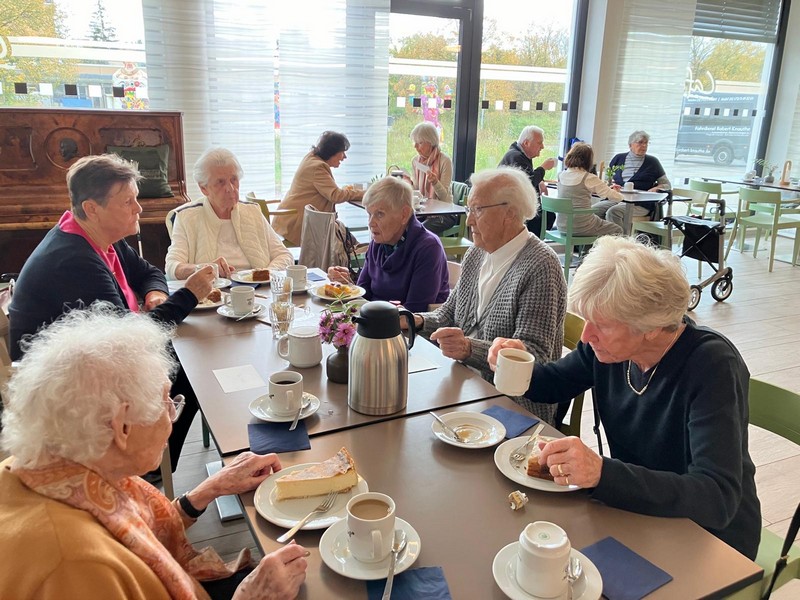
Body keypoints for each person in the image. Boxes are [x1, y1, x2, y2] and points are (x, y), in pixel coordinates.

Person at [0, 306, 307, 599]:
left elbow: (137, 530)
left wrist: (212, 488)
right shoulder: (77, 563)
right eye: (166, 403)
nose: (173, 415)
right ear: (122, 427)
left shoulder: (55, 466)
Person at [487, 236, 761, 560]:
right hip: (634, 509)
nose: (586, 335)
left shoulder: (712, 366)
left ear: (651, 326)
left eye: (600, 324)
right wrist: (515, 364)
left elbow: (717, 497)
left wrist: (602, 472)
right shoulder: (609, 350)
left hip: (709, 538)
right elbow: (555, 384)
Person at [8, 154, 213, 473]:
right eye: (128, 202)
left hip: (86, 364)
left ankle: (154, 461)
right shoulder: (73, 261)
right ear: (92, 208)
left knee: (191, 358)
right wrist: (190, 294)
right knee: (194, 369)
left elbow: (148, 271)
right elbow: (131, 343)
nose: (139, 209)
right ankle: (147, 467)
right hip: (61, 393)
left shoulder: (100, 237)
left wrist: (156, 293)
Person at [409, 167, 567, 425]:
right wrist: (412, 320)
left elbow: (535, 357)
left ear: (510, 213)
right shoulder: (477, 254)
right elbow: (447, 314)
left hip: (514, 406)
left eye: (478, 210)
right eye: (468, 208)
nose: (469, 220)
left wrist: (469, 348)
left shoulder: (541, 266)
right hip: (465, 386)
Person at [165, 148, 293, 280]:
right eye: (221, 182)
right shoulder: (187, 217)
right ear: (203, 188)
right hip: (212, 293)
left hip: (257, 291)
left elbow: (284, 255)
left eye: (234, 180)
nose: (230, 188)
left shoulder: (252, 211)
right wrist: (203, 269)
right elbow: (171, 268)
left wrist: (267, 274)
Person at [327, 177, 449, 312]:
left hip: (410, 327)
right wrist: (346, 283)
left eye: (380, 214)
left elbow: (416, 311)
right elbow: (364, 293)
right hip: (376, 320)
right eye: (369, 214)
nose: (371, 223)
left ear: (404, 215)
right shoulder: (379, 242)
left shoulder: (428, 248)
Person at [272, 131, 365, 246]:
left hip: (293, 219)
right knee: (345, 240)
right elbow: (336, 195)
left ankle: (357, 254)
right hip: (299, 223)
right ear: (332, 152)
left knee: (346, 237)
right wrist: (365, 193)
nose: (345, 157)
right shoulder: (318, 167)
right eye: (342, 152)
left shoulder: (312, 158)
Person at [595, 130, 672, 229]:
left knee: (614, 212)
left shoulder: (653, 162)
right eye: (640, 142)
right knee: (595, 210)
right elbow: (607, 181)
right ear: (630, 145)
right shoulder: (618, 158)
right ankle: (599, 241)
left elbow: (666, 184)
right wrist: (610, 186)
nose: (644, 146)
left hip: (640, 203)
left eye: (646, 143)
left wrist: (656, 188)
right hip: (617, 197)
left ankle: (620, 242)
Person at [498, 126, 557, 235]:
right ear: (526, 143)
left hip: (514, 206)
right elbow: (528, 182)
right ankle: (532, 246)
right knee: (547, 216)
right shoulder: (516, 157)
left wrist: (540, 181)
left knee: (547, 215)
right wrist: (543, 168)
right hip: (511, 209)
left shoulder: (518, 155)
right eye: (539, 143)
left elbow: (526, 176)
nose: (542, 147)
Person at [556, 142, 623, 237]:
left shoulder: (561, 175)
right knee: (617, 229)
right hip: (582, 226)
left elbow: (573, 193)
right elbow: (617, 198)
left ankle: (588, 251)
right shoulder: (589, 178)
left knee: (597, 217)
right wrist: (617, 193)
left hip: (562, 225)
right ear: (588, 161)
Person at [408, 121, 456, 235]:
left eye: (419, 143)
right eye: (414, 142)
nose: (415, 146)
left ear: (431, 143)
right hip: (422, 211)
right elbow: (416, 191)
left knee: (419, 231)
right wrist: (407, 184)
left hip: (445, 213)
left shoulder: (445, 161)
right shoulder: (415, 161)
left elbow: (444, 197)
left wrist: (435, 182)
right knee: (400, 226)